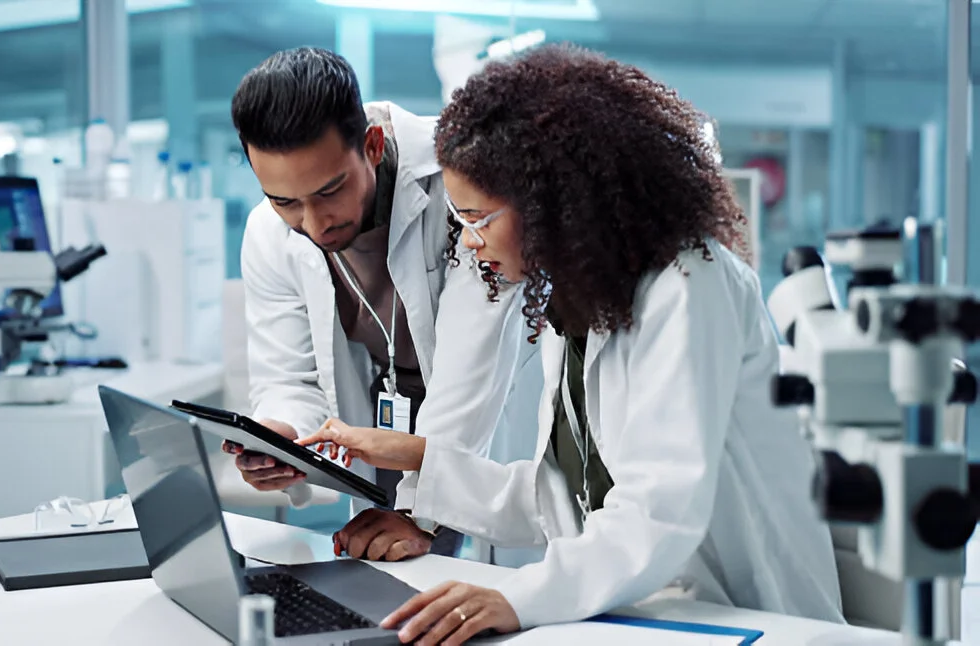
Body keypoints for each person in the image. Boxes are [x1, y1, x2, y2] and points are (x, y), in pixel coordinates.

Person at [298, 44, 844, 645]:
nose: (469, 241)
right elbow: (561, 503)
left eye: (478, 218)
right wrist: (419, 458)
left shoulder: (689, 284)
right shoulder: (578, 308)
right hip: (652, 611)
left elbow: (657, 515)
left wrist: (517, 596)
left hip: (752, 618)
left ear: (551, 204)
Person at [225, 47, 542, 559]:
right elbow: (289, 377)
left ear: (372, 145)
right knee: (395, 588)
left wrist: (418, 510)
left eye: (330, 190)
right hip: (388, 426)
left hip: (488, 415)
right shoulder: (267, 233)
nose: (313, 223)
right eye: (285, 201)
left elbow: (473, 364)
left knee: (501, 583)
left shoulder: (458, 177)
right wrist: (280, 438)